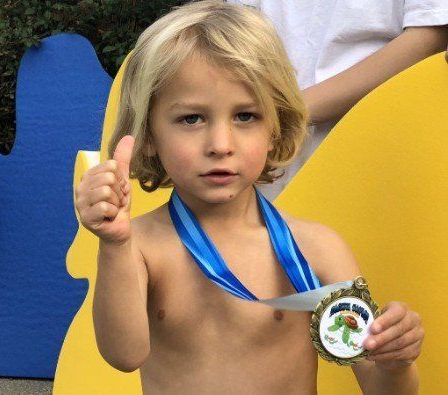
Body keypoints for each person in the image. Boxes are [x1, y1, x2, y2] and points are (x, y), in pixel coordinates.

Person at [75, 2, 424, 393]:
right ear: (149, 135)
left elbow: (381, 388)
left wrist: (395, 362)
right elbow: (124, 355)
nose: (221, 144)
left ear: (276, 126)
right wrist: (114, 244)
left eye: (245, 116)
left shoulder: (318, 249)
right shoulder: (140, 246)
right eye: (191, 118)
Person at [227, 0, 448, 199]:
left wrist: (286, 112)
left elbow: (430, 36)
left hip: (367, 150)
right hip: (261, 154)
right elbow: (234, 29)